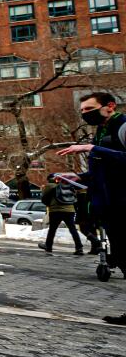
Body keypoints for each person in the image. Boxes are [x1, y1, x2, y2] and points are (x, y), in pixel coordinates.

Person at [57, 92, 126, 324]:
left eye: (90, 109)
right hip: (110, 205)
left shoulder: (122, 126)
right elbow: (103, 172)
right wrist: (77, 176)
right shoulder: (101, 133)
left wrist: (93, 149)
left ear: (110, 106)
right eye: (83, 110)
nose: (86, 113)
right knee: (122, 257)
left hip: (123, 203)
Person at [38, 173, 84, 255]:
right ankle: (79, 247)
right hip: (69, 210)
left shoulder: (50, 186)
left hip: (56, 211)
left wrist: (50, 204)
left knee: (52, 229)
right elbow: (74, 197)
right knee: (72, 229)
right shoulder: (68, 184)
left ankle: (48, 246)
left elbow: (44, 198)